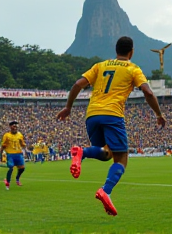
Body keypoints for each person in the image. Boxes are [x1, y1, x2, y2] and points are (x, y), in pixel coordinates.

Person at [56, 36, 166, 216]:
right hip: (113, 115)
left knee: (106, 152)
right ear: (131, 52)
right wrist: (159, 114)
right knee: (121, 158)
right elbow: (147, 91)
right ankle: (105, 190)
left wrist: (68, 107)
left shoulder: (100, 66)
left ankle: (82, 152)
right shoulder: (133, 68)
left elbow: (77, 84)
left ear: (116, 51)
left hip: (92, 114)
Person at [0, 121, 26, 190]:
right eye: (13, 126)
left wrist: (24, 148)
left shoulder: (20, 135)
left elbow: (23, 144)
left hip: (19, 154)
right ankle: (7, 183)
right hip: (10, 154)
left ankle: (17, 178)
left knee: (22, 168)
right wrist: (0, 155)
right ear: (10, 127)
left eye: (16, 126)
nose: (15, 128)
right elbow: (3, 146)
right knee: (10, 168)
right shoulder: (6, 135)